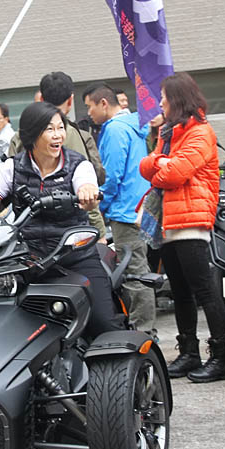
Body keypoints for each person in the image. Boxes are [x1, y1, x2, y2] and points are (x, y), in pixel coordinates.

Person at [0, 102, 124, 338]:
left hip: (75, 256)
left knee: (103, 324)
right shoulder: (12, 167)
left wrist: (88, 193)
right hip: (30, 261)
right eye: (50, 129)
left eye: (60, 128)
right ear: (32, 134)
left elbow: (88, 188)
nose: (58, 135)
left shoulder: (78, 164)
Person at [139, 72, 225, 383]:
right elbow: (147, 166)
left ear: (177, 100)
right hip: (169, 222)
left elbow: (174, 174)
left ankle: (221, 358)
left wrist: (163, 165)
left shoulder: (201, 133)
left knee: (204, 291)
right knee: (180, 293)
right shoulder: (170, 133)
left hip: (191, 222)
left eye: (164, 97)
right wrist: (162, 163)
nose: (161, 103)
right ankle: (189, 353)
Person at [86, 84, 155, 334]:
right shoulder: (136, 125)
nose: (90, 112)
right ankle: (144, 330)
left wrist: (98, 206)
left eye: (90, 106)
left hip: (125, 211)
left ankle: (143, 332)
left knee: (134, 273)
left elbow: (111, 176)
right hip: (139, 208)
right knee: (139, 269)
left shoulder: (114, 130)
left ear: (104, 103)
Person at [9, 71, 107, 239]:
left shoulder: (20, 136)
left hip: (27, 230)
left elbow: (9, 185)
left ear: (40, 99)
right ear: (70, 100)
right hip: (76, 231)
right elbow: (92, 185)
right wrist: (99, 232)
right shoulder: (80, 136)